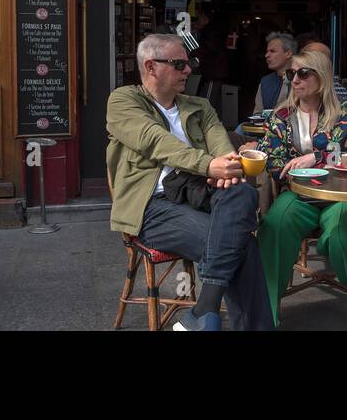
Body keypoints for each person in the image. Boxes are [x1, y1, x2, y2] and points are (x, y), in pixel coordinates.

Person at [107, 33, 272, 331]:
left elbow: (221, 146)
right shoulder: (124, 101)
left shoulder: (199, 106)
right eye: (179, 64)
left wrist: (228, 165)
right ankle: (223, 318)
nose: (188, 70)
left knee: (243, 194)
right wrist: (209, 165)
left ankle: (203, 312)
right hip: (151, 206)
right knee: (239, 242)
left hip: (199, 193)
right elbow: (154, 141)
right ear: (151, 66)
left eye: (188, 63)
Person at [255, 49, 347, 330]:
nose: (295, 80)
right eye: (291, 74)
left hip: (342, 194)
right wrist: (291, 166)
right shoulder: (281, 115)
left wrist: (318, 158)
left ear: (323, 77)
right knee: (274, 227)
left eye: (303, 73)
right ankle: (265, 313)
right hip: (300, 195)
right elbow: (272, 159)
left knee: (342, 235)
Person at [250, 32, 295, 116]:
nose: (266, 55)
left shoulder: (302, 79)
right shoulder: (265, 82)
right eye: (267, 51)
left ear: (288, 53)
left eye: (272, 51)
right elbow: (257, 115)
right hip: (267, 128)